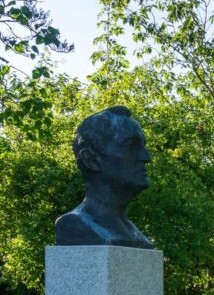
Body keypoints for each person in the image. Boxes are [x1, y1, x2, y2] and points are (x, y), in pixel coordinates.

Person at [55, 106, 154, 248]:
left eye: (143, 146)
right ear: (91, 160)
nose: (146, 157)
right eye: (131, 145)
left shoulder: (135, 235)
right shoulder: (74, 225)